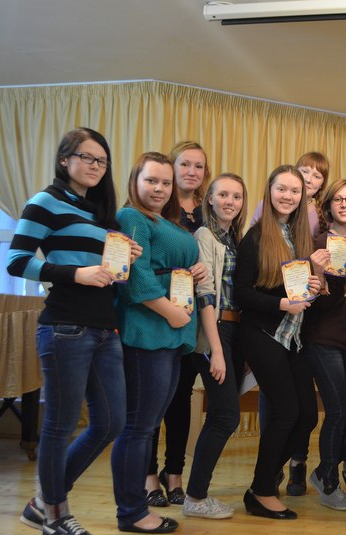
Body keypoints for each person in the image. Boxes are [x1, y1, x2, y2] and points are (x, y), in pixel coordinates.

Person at [9, 128, 140, 535]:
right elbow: (17, 260)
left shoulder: (99, 212)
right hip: (65, 327)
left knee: (111, 423)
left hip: (105, 329)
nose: (95, 166)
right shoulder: (45, 201)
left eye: (102, 160)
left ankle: (42, 501)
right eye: (87, 157)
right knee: (60, 425)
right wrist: (76, 273)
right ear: (65, 159)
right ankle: (55, 514)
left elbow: (107, 274)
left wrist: (125, 256)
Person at [112, 151, 207, 533]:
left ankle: (135, 508)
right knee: (139, 427)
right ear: (135, 180)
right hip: (147, 330)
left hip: (171, 332)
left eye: (165, 183)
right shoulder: (131, 216)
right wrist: (171, 312)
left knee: (150, 423)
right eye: (151, 180)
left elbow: (168, 266)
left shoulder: (164, 221)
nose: (159, 188)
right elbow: (136, 276)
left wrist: (194, 271)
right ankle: (132, 511)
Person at [234, 165, 321, 520]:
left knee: (307, 417)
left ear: (303, 197)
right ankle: (263, 490)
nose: (287, 196)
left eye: (294, 191)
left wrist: (313, 286)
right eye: (281, 189)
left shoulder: (301, 237)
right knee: (286, 413)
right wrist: (281, 304)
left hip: (293, 337)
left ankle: (261, 481)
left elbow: (297, 288)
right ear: (269, 192)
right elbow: (241, 293)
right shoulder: (255, 237)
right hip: (262, 334)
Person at [179, 172, 250, 520]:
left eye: (236, 196)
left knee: (222, 415)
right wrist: (216, 350)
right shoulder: (205, 235)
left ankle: (196, 494)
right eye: (223, 195)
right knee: (225, 416)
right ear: (209, 198)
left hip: (234, 330)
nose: (229, 202)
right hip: (214, 330)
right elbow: (205, 294)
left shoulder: (234, 238)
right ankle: (195, 497)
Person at [146, 141, 210, 508]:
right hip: (155, 312)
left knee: (181, 396)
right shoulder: (156, 206)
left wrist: (201, 268)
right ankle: (148, 476)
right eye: (185, 164)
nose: (191, 172)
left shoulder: (207, 210)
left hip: (192, 316)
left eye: (199, 166)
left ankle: (174, 473)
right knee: (153, 398)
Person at [302, 179, 346, 511]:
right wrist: (318, 272)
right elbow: (319, 303)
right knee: (338, 410)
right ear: (328, 206)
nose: (344, 204)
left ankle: (328, 468)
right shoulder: (317, 245)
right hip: (324, 337)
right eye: (338, 199)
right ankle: (328, 478)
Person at [250, 151, 330, 237]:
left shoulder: (324, 214)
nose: (308, 180)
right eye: (304, 171)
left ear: (322, 184)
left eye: (316, 176)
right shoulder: (267, 204)